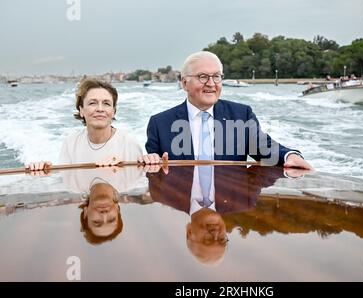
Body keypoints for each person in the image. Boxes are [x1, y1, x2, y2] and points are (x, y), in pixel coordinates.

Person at [145, 51, 313, 169]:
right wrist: (152, 161)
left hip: (228, 209)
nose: (211, 83)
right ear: (184, 83)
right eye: (202, 77)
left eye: (216, 76)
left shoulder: (241, 115)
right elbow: (154, 169)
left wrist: (290, 156)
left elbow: (264, 147)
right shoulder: (160, 124)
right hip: (181, 210)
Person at [147, 163, 309, 265]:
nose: (216, 233)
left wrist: (151, 161)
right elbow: (267, 172)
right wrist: (290, 162)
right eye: (222, 239)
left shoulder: (163, 194)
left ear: (190, 232)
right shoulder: (244, 199)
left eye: (209, 240)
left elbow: (149, 164)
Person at [27, 78, 155, 171]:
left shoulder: (129, 143)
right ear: (81, 110)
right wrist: (42, 170)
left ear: (113, 111)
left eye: (106, 103)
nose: (100, 109)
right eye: (92, 103)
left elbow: (135, 184)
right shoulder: (71, 143)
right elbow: (66, 183)